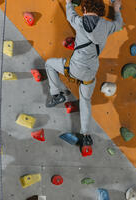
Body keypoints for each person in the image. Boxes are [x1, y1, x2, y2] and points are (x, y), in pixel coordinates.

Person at [45, 0, 123, 148]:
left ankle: (56, 94)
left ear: (85, 8)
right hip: (90, 73)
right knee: (85, 100)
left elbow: (70, 15)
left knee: (49, 64)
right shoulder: (106, 26)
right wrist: (117, 9)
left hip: (74, 68)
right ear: (100, 11)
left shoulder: (80, 22)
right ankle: (86, 135)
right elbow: (118, 24)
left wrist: (68, 2)